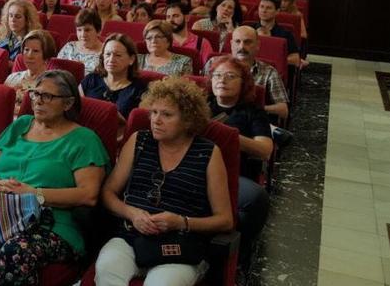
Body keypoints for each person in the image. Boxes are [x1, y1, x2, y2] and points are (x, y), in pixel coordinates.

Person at [0, 70, 109, 285]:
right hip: (2, 214)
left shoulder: (84, 140)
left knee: (15, 251)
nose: (38, 101)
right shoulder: (22, 124)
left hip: (52, 223)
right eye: (35, 94)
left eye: (47, 96)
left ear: (67, 104)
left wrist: (33, 192)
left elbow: (88, 195)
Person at [95, 77, 233, 286]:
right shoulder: (139, 141)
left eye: (167, 115)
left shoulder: (208, 153)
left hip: (180, 245)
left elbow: (225, 219)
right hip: (131, 237)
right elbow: (108, 193)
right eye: (154, 112)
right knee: (107, 273)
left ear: (188, 119)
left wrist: (181, 222)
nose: (156, 120)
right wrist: (132, 213)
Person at [206, 55, 272, 273]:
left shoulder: (253, 112)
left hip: (232, 175)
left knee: (256, 198)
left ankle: (236, 250)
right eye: (217, 75)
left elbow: (265, 150)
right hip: (196, 167)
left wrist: (228, 136)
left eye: (229, 76)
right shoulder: (200, 105)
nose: (221, 80)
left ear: (243, 82)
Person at [203, 26, 289, 121]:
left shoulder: (269, 72)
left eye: (247, 42)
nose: (242, 47)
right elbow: (202, 93)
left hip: (248, 122)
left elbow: (283, 110)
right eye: (237, 41)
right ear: (231, 44)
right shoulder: (213, 63)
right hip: (212, 117)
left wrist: (255, 110)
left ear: (257, 45)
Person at [80, 33, 148, 120]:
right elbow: (76, 111)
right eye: (108, 54)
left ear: (131, 59)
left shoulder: (140, 90)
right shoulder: (91, 79)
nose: (111, 60)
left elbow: (137, 125)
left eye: (118, 55)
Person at [4, 30, 57, 116]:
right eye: (26, 50)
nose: (29, 55)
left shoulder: (52, 84)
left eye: (35, 51)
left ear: (46, 55)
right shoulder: (12, 78)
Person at [253, 0, 304, 68]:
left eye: (268, 8)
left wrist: (273, 61)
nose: (264, 10)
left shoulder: (286, 34)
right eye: (261, 7)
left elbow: (295, 59)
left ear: (277, 11)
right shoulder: (248, 29)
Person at [57, 9, 104, 76]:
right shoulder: (69, 47)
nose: (83, 35)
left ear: (98, 31)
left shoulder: (105, 53)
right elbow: (55, 72)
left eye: (87, 30)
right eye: (79, 30)